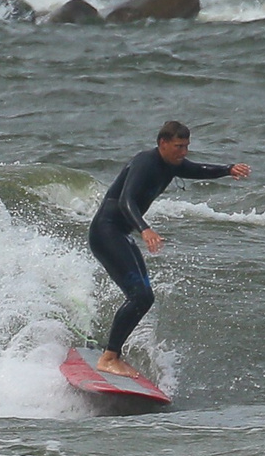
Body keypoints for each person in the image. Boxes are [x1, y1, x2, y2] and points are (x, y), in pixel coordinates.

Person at [90, 120, 250, 378]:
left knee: (144, 297)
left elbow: (198, 169)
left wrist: (228, 169)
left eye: (186, 146)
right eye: (178, 146)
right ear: (162, 143)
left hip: (120, 233)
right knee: (139, 297)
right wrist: (145, 229)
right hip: (106, 232)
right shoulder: (145, 163)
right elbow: (125, 201)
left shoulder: (170, 164)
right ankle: (109, 357)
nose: (183, 152)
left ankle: (112, 351)